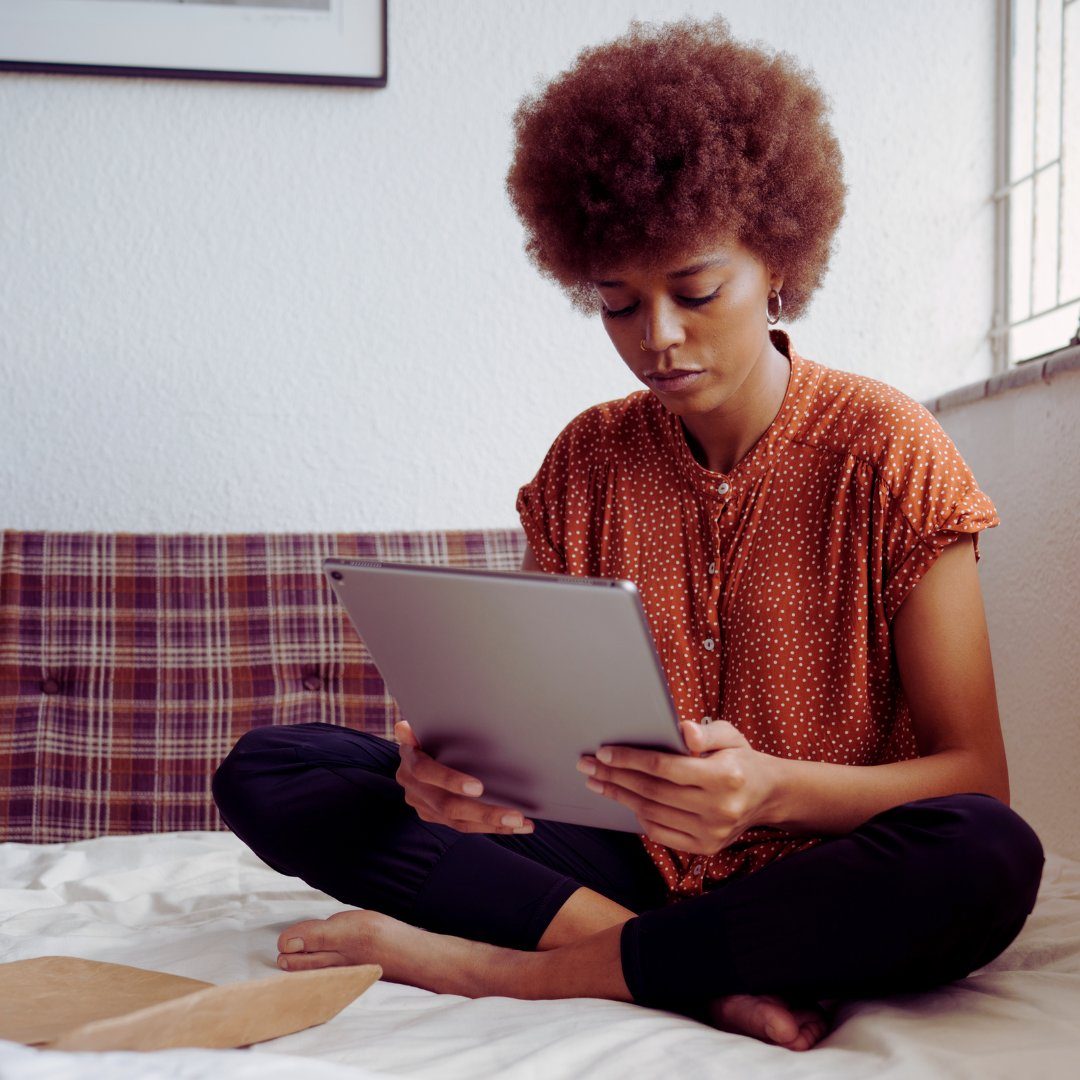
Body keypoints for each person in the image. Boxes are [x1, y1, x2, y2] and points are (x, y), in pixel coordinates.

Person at [212, 16, 1045, 1052]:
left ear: (778, 260)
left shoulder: (891, 452)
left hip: (826, 869)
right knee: (275, 771)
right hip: (626, 862)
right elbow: (536, 743)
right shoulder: (584, 464)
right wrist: (462, 786)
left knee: (986, 853)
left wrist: (768, 790)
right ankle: (679, 965)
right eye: (616, 304)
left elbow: (976, 776)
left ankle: (507, 970)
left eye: (696, 291)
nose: (657, 337)